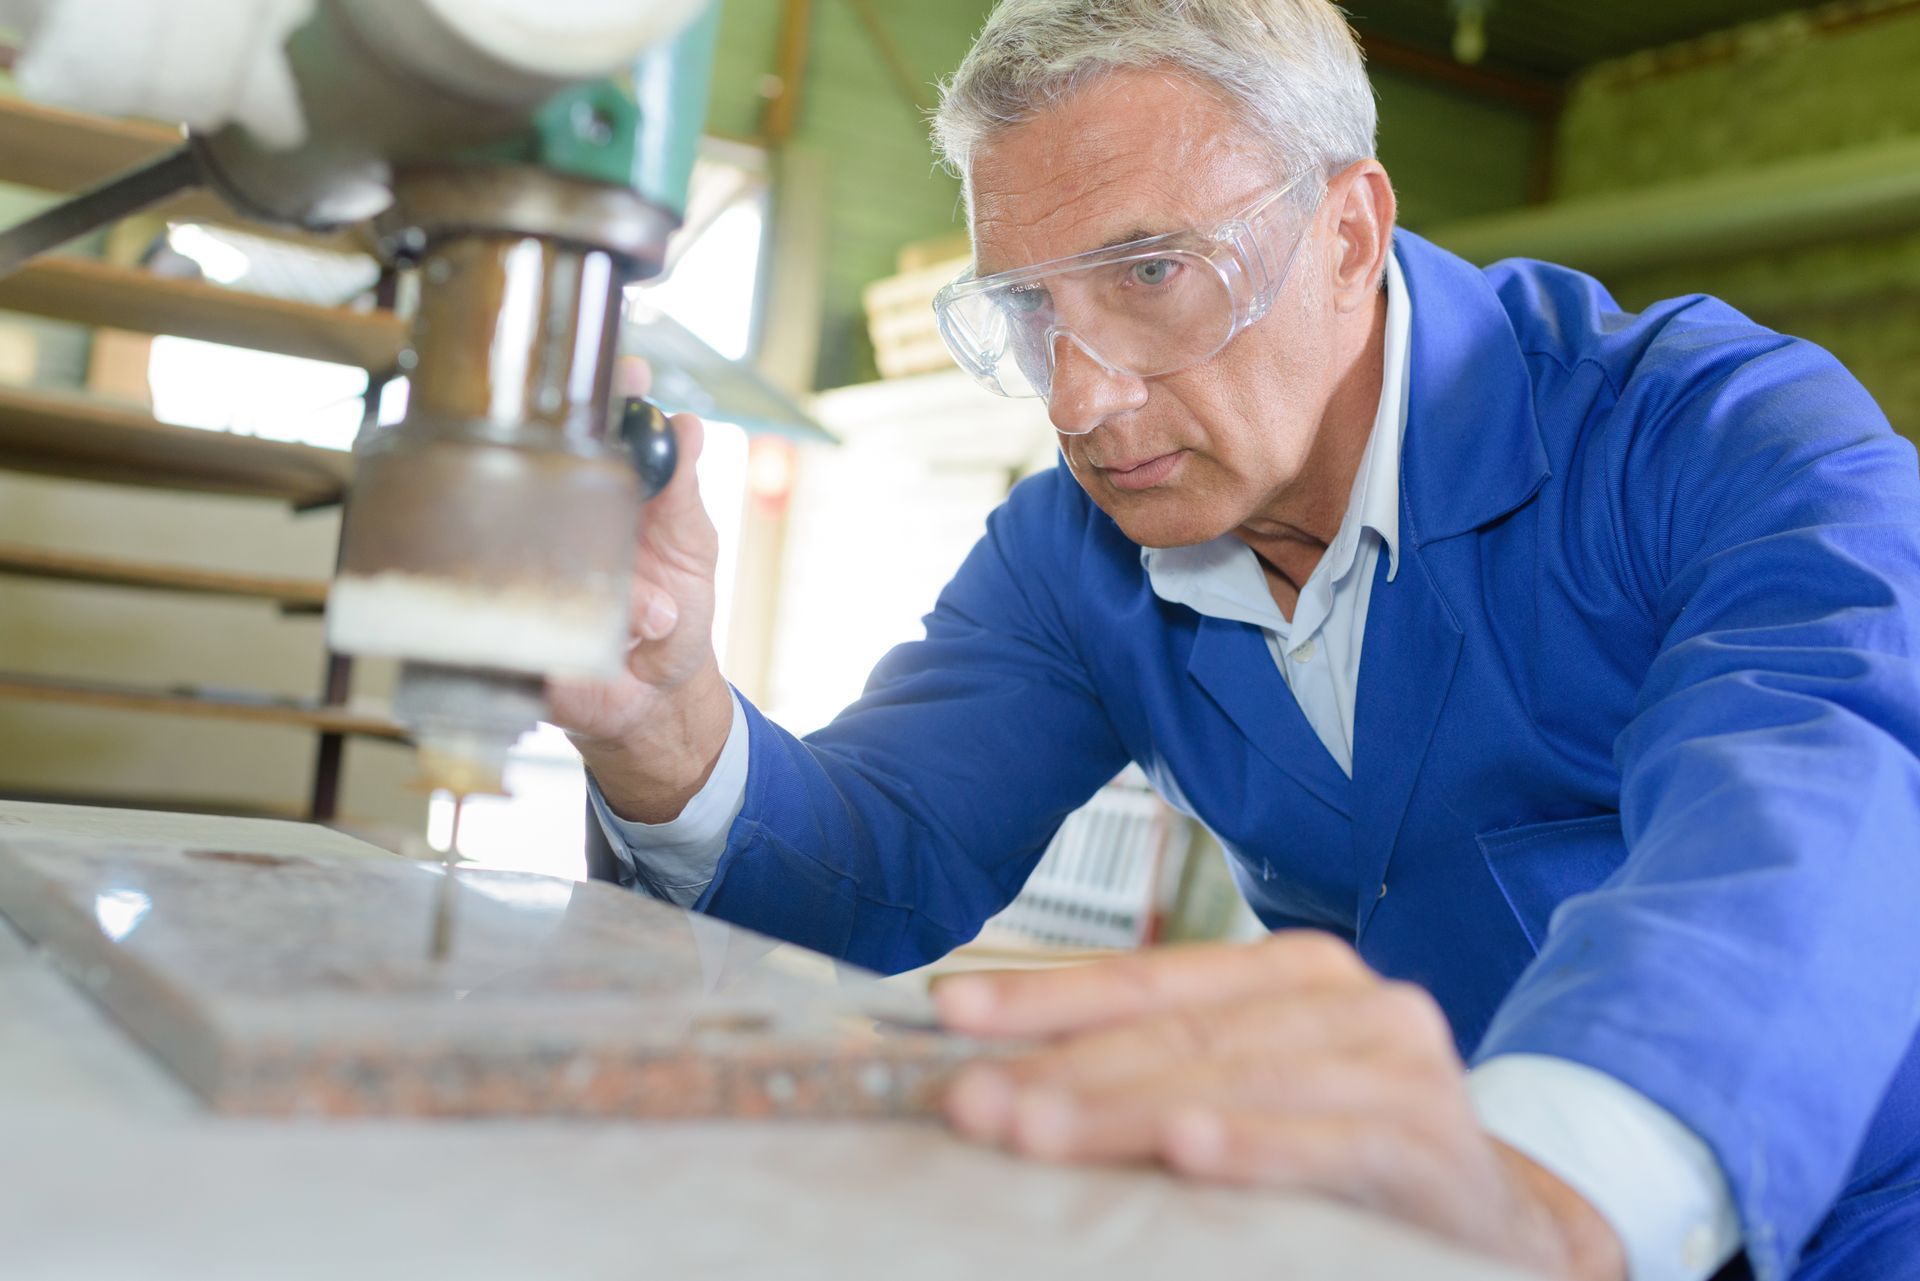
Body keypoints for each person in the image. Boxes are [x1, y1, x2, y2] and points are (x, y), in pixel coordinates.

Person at [549, 2, 1920, 1278]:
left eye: (1150, 272)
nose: (1079, 399)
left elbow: (1828, 794)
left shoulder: (1716, 436)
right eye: (1029, 310)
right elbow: (870, 857)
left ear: (1345, 234)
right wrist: (663, 716)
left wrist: (1559, 1182)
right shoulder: (1072, 555)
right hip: (1431, 1230)